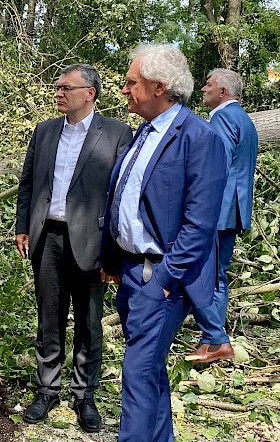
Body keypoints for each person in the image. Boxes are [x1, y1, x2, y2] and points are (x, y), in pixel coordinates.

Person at [101, 44, 227, 442]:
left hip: (162, 277)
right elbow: (126, 199)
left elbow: (200, 224)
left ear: (159, 87)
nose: (124, 90)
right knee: (150, 370)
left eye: (131, 82)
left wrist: (166, 280)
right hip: (131, 270)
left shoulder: (199, 137)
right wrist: (114, 260)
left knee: (137, 373)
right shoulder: (145, 131)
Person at [15, 64, 132, 431]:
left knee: (88, 322)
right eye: (58, 86)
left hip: (91, 241)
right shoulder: (45, 131)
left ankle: (84, 394)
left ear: (90, 93)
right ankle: (47, 390)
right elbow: (27, 183)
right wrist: (23, 227)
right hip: (46, 237)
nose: (59, 92)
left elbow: (122, 195)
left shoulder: (116, 133)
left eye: (67, 87)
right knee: (49, 318)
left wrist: (114, 249)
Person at [186, 69, 258, 363]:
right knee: (217, 278)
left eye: (208, 85)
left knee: (196, 274)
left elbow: (216, 165)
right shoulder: (245, 119)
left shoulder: (222, 117)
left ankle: (216, 340)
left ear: (223, 92)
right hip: (234, 210)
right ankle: (210, 341)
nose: (203, 89)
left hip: (216, 211)